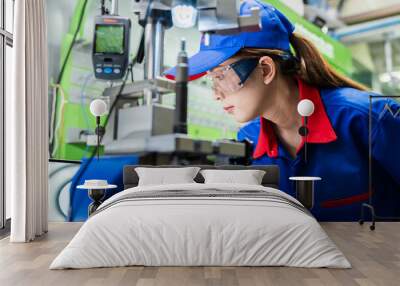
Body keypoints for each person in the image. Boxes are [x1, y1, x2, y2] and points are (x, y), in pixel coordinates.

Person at [165, 0, 400, 221]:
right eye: (211, 80)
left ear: (266, 69)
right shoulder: (248, 140)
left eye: (220, 76)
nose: (216, 94)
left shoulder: (370, 118)